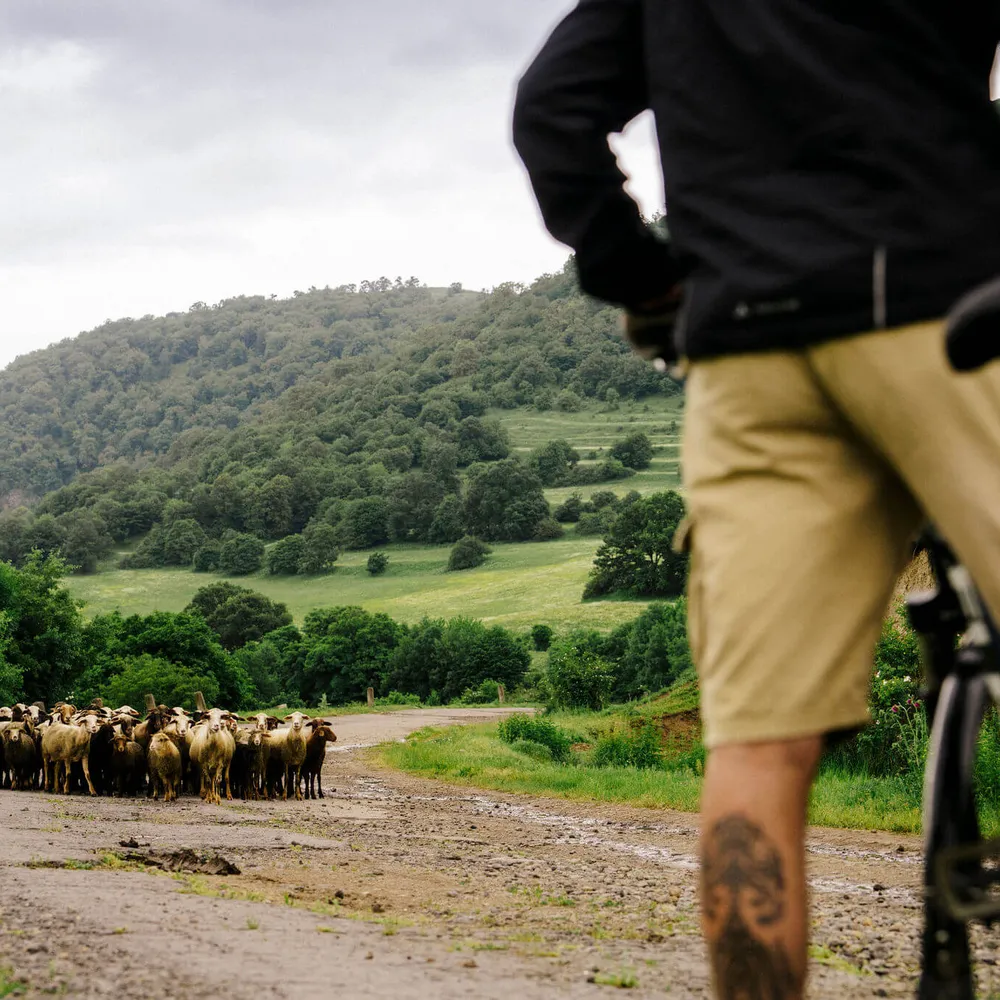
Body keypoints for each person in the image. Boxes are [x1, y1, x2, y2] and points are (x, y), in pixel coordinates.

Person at [512, 3, 1000, 997]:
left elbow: (552, 111)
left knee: (760, 743)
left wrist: (647, 284)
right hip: (943, 303)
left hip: (747, 347)